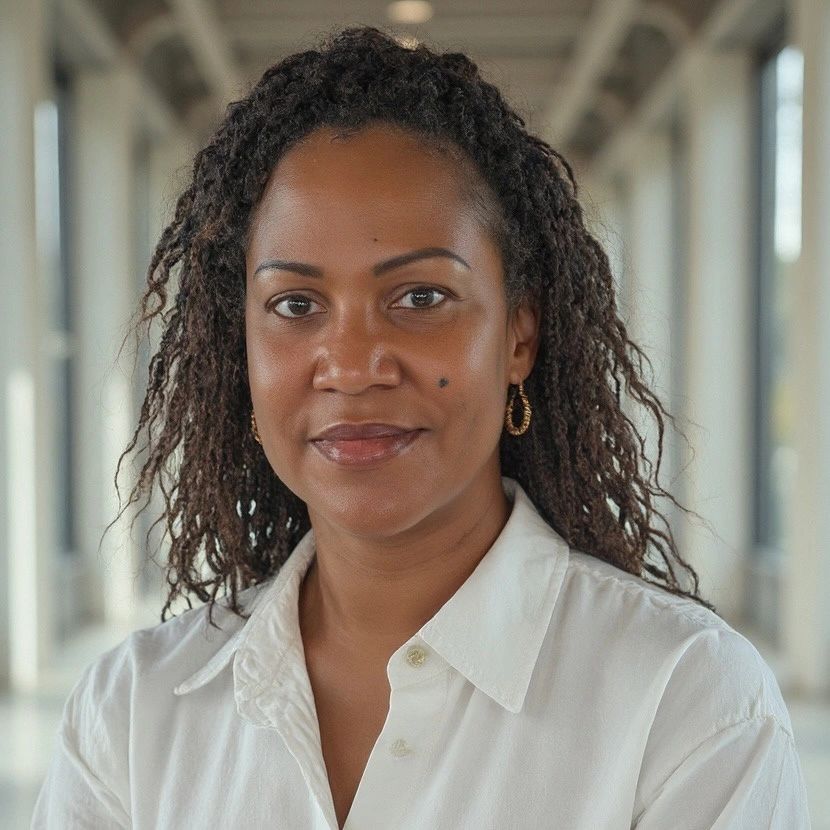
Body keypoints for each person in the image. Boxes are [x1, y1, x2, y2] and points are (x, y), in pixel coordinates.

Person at [32, 25, 811, 830]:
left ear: (519, 337)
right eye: (295, 305)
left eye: (421, 298)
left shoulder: (687, 704)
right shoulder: (130, 715)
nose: (352, 365)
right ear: (244, 353)